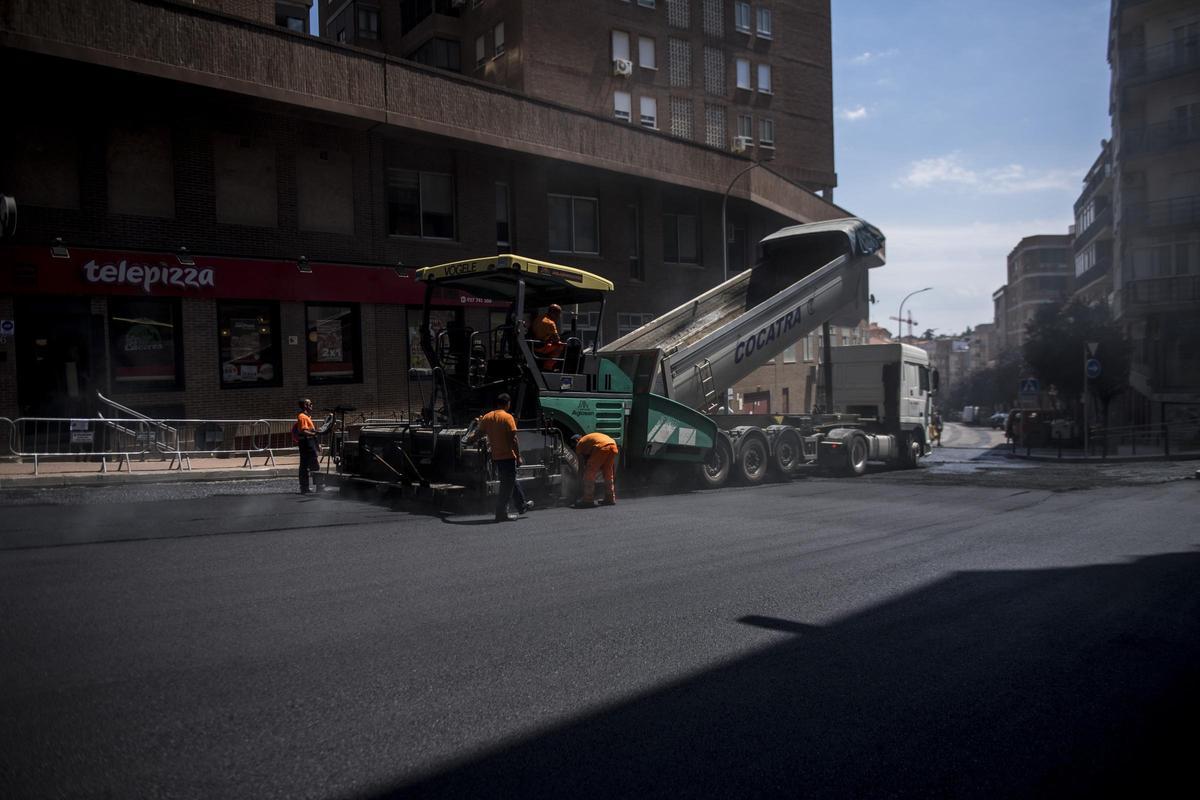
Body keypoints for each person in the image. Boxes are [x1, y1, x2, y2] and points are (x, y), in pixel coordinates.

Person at [474, 393, 534, 522]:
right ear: (508, 403)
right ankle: (501, 514)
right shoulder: (508, 417)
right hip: (508, 457)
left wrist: (468, 440)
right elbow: (513, 440)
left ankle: (522, 505)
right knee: (506, 487)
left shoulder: (487, 417)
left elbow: (478, 433)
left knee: (511, 481)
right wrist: (518, 457)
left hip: (496, 457)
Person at [294, 398, 332, 495]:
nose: (312, 405)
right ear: (305, 405)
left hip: (308, 442)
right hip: (306, 443)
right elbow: (303, 431)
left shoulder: (307, 417)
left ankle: (305, 488)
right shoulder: (302, 417)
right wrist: (316, 433)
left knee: (306, 466)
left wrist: (317, 443)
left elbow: (311, 431)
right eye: (310, 404)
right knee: (313, 465)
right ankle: (318, 487)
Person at [572, 432, 619, 508]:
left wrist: (580, 476)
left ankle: (588, 499)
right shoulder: (588, 438)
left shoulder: (579, 443)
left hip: (601, 447)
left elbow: (581, 464)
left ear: (576, 440)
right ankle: (610, 498)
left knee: (589, 473)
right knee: (608, 473)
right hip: (613, 445)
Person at [531, 304, 565, 370]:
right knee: (560, 345)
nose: (558, 317)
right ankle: (548, 367)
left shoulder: (538, 318)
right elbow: (557, 339)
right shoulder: (550, 323)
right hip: (541, 346)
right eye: (558, 314)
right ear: (554, 313)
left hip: (535, 344)